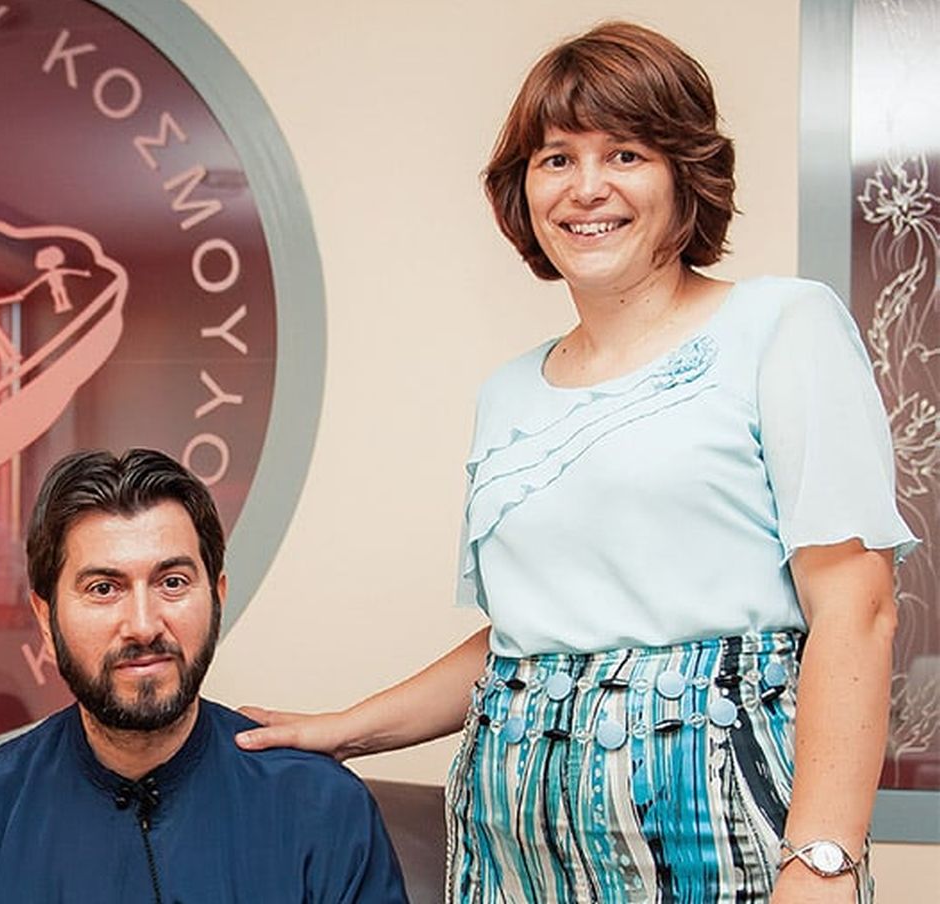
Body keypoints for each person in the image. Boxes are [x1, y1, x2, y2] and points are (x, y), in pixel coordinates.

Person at [235, 22, 917, 904]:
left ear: (684, 174)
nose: (587, 188)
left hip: (719, 820)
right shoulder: (508, 393)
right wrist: (347, 730)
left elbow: (857, 610)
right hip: (511, 835)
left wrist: (822, 859)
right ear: (523, 189)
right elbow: (526, 640)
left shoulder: (783, 327)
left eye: (625, 154)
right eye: (556, 159)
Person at [0, 448, 408, 904]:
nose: (143, 625)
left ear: (217, 598)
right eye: (103, 589)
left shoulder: (322, 809)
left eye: (172, 582)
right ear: (46, 618)